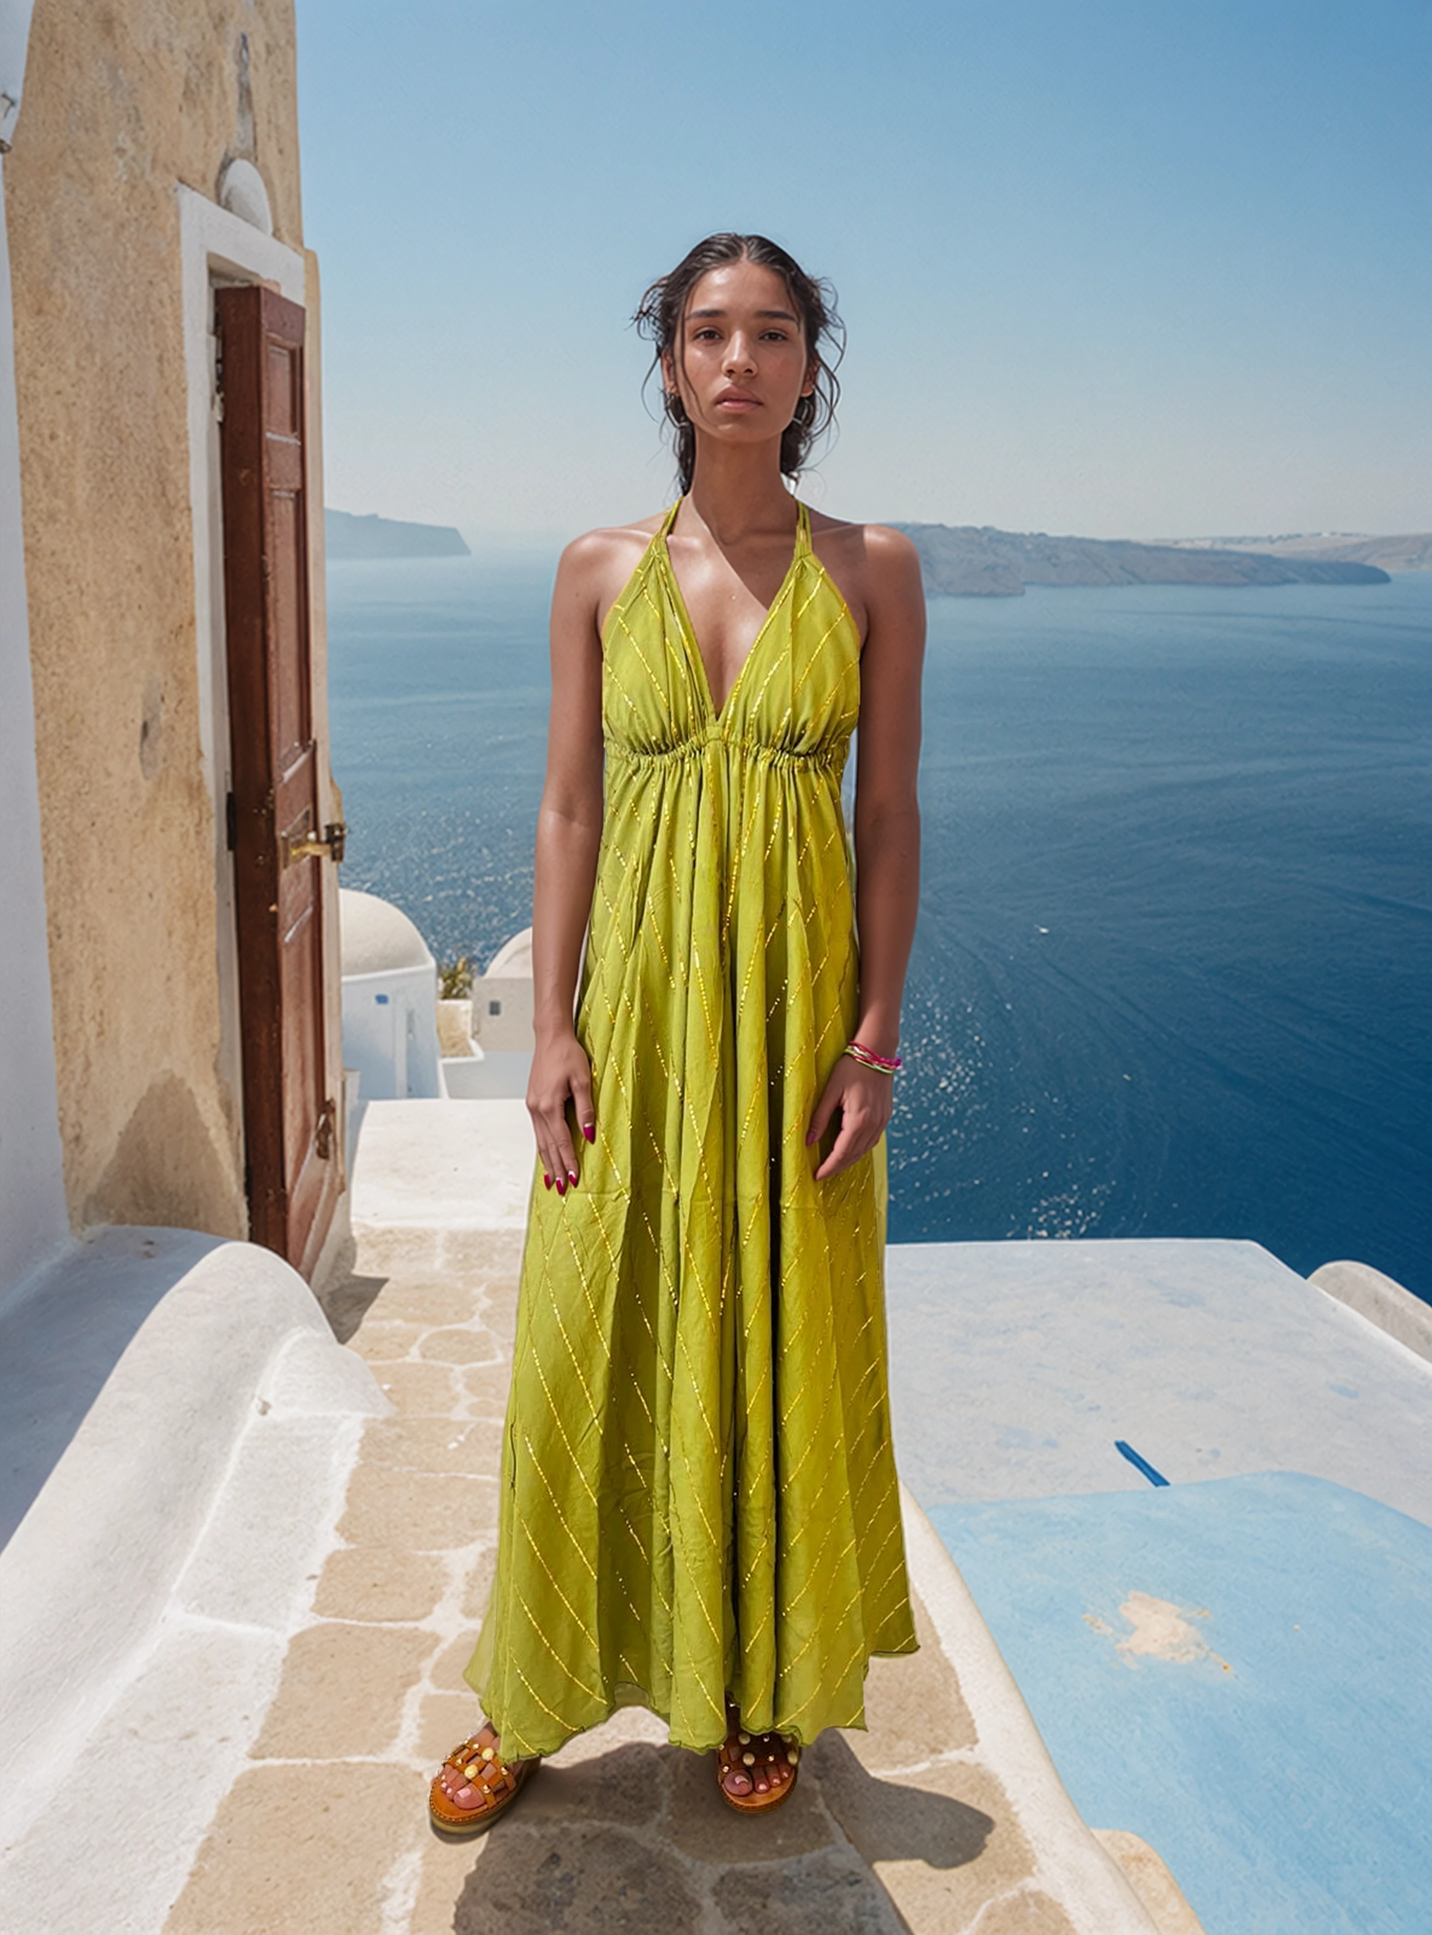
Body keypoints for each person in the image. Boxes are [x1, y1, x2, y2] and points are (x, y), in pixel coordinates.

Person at [430, 232, 926, 1830]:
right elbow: (569, 805)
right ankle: (526, 1689)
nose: (739, 360)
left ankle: (753, 1683)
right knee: (585, 1326)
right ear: (668, 364)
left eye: (771, 333)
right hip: (634, 1014)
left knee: (773, 1328)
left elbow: (890, 816)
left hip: (793, 1019)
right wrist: (549, 1028)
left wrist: (873, 1040)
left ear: (809, 366)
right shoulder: (596, 567)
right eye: (709, 332)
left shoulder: (874, 569)